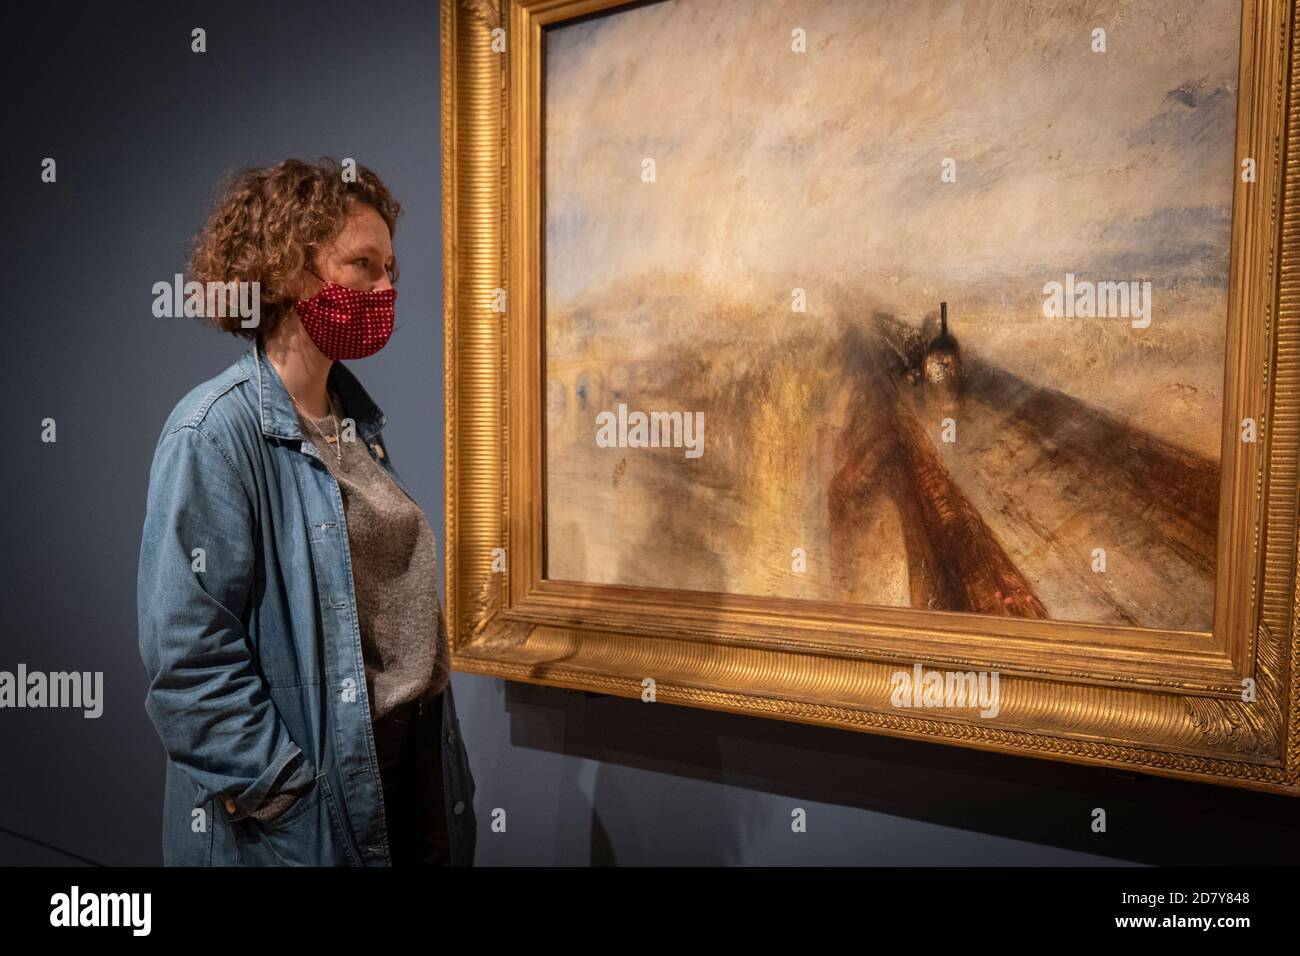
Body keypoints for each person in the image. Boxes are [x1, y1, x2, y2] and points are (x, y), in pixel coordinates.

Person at [136, 157, 476, 866]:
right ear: (288, 272)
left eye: (391, 270)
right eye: (363, 265)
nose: (386, 289)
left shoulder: (354, 422)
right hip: (311, 798)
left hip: (406, 768)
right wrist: (287, 797)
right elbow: (190, 663)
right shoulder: (212, 431)